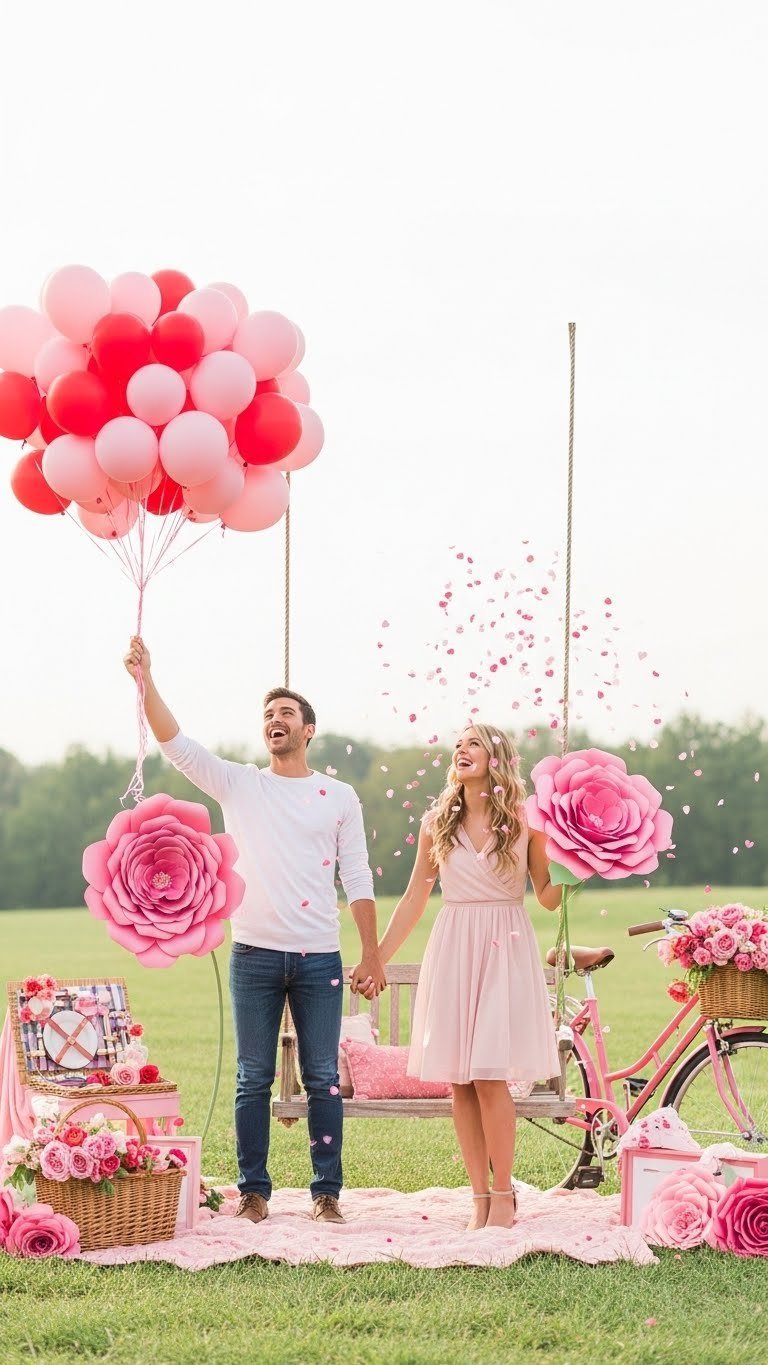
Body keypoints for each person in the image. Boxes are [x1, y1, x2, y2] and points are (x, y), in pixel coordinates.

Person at [123, 636, 386, 1226]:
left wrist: (370, 953)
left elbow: (359, 876)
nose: (276, 721)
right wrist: (146, 681)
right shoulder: (242, 784)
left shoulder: (339, 797)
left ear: (308, 730)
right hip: (255, 955)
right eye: (268, 716)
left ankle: (326, 1192)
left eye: (286, 714)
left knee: (322, 1079)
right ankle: (254, 1191)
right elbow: (177, 745)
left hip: (319, 959)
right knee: (253, 1078)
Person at [377, 722, 561, 1231]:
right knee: (459, 1079)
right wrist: (377, 957)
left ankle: (504, 1195)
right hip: (455, 942)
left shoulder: (526, 822)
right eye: (458, 742)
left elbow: (546, 896)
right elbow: (415, 899)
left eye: (474, 742)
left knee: (489, 1073)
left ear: (496, 757)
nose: (461, 748)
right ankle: (478, 1196)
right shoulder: (437, 822)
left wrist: (574, 866)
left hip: (505, 942)